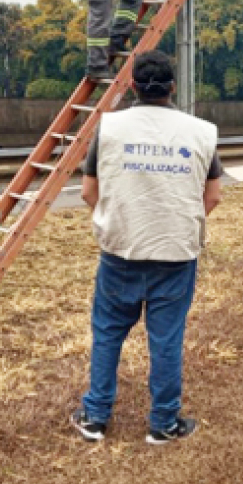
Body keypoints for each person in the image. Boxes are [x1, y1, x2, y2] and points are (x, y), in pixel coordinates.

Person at [72, 50, 224, 445]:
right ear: (172, 87)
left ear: (133, 86)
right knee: (166, 338)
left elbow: (89, 192)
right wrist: (177, 224)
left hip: (120, 250)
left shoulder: (109, 128)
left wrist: (121, 221)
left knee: (107, 333)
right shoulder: (201, 132)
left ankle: (95, 417)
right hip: (175, 253)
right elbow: (213, 197)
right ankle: (163, 423)